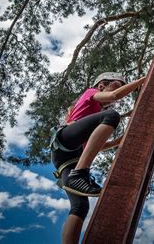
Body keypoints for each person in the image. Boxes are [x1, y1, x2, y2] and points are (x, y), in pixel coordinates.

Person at [50, 72, 145, 244]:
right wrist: (142, 81)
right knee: (112, 116)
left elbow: (97, 145)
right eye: (116, 86)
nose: (115, 99)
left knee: (80, 207)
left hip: (68, 162)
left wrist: (118, 141)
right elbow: (114, 95)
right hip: (66, 143)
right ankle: (79, 174)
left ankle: (77, 175)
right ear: (101, 85)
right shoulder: (90, 94)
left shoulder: (97, 116)